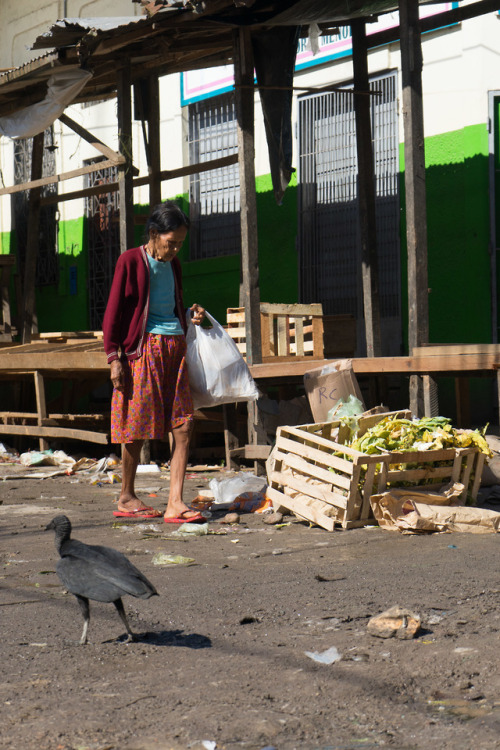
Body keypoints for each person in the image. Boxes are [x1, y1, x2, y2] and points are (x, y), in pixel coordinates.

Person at [102, 201, 205, 523]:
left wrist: (191, 315)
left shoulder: (173, 265)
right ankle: (127, 496)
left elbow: (169, 307)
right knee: (135, 428)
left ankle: (175, 502)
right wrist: (114, 358)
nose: (175, 249)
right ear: (153, 234)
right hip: (144, 352)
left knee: (184, 426)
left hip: (175, 350)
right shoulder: (130, 261)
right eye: (170, 242)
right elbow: (114, 312)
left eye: (179, 244)